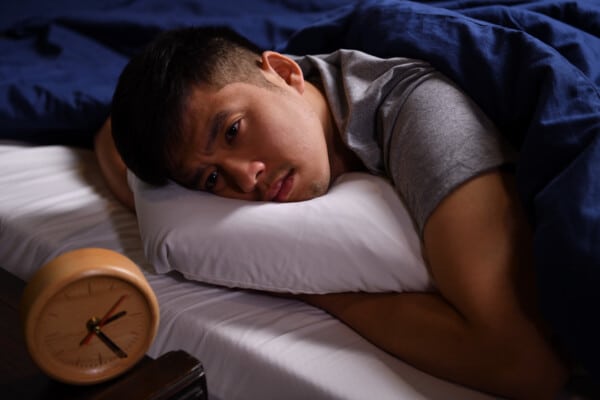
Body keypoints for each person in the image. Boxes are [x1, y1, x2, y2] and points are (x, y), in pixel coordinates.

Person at [95, 27, 568, 399]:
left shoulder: (423, 117)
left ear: (285, 72)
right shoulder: (266, 105)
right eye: (212, 180)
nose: (246, 178)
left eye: (233, 131)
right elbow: (110, 138)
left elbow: (526, 365)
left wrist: (320, 291)